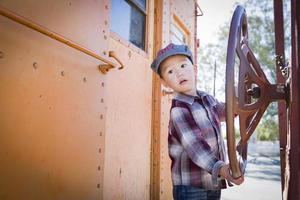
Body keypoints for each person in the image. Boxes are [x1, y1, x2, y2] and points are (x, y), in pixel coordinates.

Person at [151, 43, 244, 200]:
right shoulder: (179, 110)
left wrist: (236, 100)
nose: (179, 73)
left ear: (194, 69)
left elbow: (223, 112)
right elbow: (196, 148)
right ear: (165, 82)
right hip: (190, 185)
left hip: (212, 180)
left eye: (183, 65)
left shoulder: (206, 98)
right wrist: (222, 169)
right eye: (170, 71)